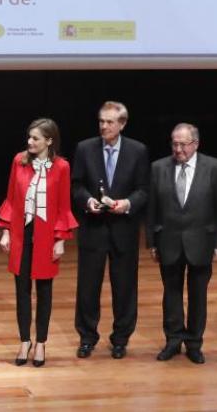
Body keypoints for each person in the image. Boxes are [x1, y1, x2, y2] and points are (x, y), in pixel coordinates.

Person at [72, 101, 149, 359]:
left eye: (110, 122)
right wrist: (87, 201)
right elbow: (76, 185)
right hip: (93, 229)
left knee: (125, 287)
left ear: (122, 124)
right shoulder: (85, 148)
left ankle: (120, 339)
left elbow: (143, 190)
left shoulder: (138, 151)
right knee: (88, 287)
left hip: (123, 229)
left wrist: (127, 204)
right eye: (101, 121)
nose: (104, 126)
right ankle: (87, 337)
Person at [0, 119, 77, 367]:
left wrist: (60, 239)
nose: (30, 142)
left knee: (44, 290)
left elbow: (63, 206)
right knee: (22, 289)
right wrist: (6, 232)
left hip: (46, 235)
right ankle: (25, 340)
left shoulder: (62, 167)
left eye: (35, 138)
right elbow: (11, 199)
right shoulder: (19, 161)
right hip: (22, 233)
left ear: (49, 141)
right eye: (29, 137)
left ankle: (41, 342)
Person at [146, 123, 217, 364]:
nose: (178, 149)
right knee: (171, 294)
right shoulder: (158, 167)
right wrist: (151, 242)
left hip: (202, 241)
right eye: (175, 144)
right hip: (168, 240)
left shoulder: (215, 167)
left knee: (198, 295)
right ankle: (173, 340)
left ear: (196, 144)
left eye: (183, 144)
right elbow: (152, 209)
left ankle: (194, 343)